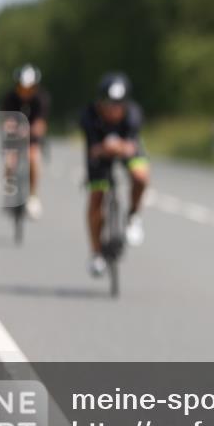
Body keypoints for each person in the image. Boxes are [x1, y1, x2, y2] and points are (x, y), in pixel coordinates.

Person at [80, 72, 149, 277]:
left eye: (118, 105)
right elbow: (94, 150)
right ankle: (96, 253)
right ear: (100, 102)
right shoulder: (89, 116)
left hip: (124, 150)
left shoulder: (134, 114)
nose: (113, 110)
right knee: (96, 196)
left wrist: (118, 147)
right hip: (99, 154)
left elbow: (131, 146)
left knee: (140, 177)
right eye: (109, 104)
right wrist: (109, 148)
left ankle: (133, 216)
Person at [2, 64, 49, 219]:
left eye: (29, 88)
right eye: (22, 88)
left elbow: (41, 124)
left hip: (32, 137)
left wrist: (29, 130)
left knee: (33, 158)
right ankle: (10, 187)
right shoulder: (10, 98)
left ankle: (33, 196)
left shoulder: (41, 98)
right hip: (14, 136)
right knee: (10, 161)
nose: (25, 92)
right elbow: (7, 120)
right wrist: (11, 127)